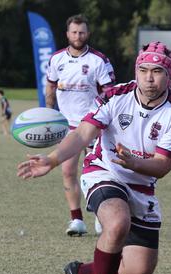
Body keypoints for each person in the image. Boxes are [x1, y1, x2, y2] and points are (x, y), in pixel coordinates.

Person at [18, 41, 171, 274]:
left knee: (139, 271)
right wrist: (52, 159)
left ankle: (82, 273)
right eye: (143, 69)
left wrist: (135, 162)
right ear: (136, 70)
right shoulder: (115, 96)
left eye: (157, 71)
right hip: (104, 171)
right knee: (116, 224)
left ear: (169, 76)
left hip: (142, 185)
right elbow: (84, 133)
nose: (149, 77)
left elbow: (162, 167)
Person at [45, 14, 116, 236]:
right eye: (74, 32)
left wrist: (103, 119)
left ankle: (100, 217)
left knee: (99, 173)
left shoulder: (99, 60)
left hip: (94, 125)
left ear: (88, 33)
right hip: (67, 126)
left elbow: (110, 93)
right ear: (67, 34)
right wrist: (49, 114)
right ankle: (76, 220)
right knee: (67, 171)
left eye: (82, 32)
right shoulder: (56, 59)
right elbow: (50, 87)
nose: (78, 36)